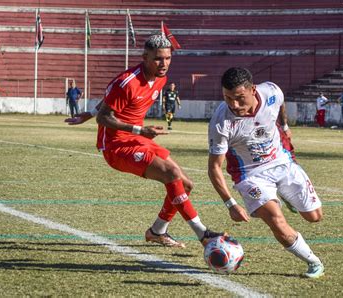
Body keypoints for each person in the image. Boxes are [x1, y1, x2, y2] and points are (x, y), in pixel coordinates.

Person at [66, 35, 224, 248]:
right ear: (145, 57)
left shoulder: (162, 78)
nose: (164, 64)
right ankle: (203, 234)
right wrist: (137, 129)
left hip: (138, 139)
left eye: (168, 58)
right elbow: (105, 117)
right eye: (158, 59)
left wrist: (89, 112)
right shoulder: (128, 82)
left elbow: (108, 100)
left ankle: (157, 231)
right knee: (172, 174)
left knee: (186, 185)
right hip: (116, 146)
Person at [208, 67, 325, 279]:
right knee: (276, 219)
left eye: (239, 98)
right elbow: (214, 167)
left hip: (281, 161)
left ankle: (286, 196)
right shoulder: (221, 122)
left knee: (314, 217)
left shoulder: (271, 91)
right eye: (227, 98)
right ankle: (313, 262)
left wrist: (285, 125)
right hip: (250, 176)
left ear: (253, 90)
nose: (233, 105)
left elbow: (280, 103)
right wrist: (230, 203)